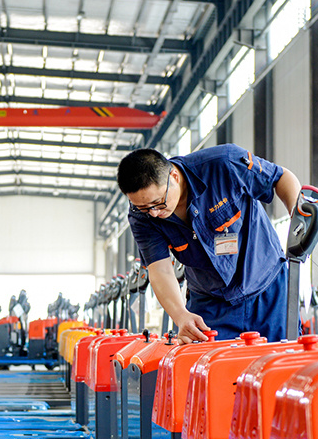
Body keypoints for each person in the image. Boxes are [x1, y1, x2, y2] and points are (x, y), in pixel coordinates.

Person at [118, 146, 301, 344]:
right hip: (210, 304)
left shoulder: (224, 164)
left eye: (158, 202)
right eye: (144, 208)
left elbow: (280, 178)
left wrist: (299, 218)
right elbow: (160, 270)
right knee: (206, 362)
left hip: (269, 289)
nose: (154, 213)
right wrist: (181, 315)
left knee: (284, 356)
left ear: (174, 176)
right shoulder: (141, 217)